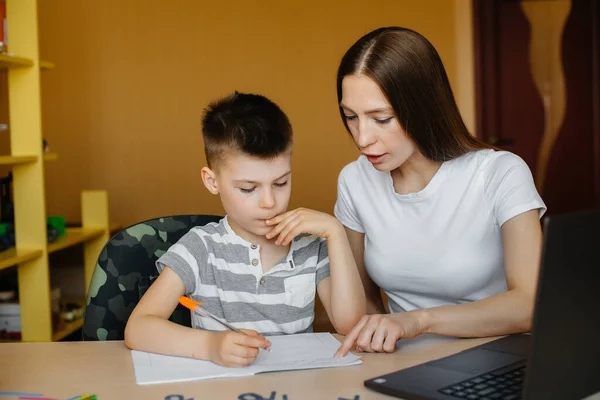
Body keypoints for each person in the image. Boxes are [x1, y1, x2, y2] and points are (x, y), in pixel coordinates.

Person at [333, 27, 545, 358]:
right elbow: (364, 300)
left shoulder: (500, 173)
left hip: (500, 357)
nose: (362, 138)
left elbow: (529, 303)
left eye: (381, 118)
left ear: (422, 107)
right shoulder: (354, 181)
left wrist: (419, 321)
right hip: (399, 360)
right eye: (351, 117)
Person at [125, 92, 365, 367]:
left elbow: (351, 325)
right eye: (248, 188)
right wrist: (210, 345)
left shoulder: (311, 246)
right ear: (212, 181)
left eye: (281, 183)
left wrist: (335, 232)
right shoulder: (201, 248)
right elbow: (138, 328)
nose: (269, 202)